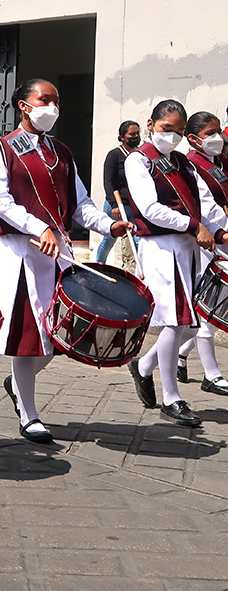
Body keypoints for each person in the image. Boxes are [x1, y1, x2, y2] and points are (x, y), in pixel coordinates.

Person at [0, 78, 132, 443]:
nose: (52, 107)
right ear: (24, 105)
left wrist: (108, 225)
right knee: (29, 331)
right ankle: (29, 413)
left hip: (59, 252)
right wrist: (40, 228)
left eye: (56, 100)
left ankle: (18, 384)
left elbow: (80, 203)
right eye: (44, 99)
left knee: (63, 331)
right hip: (24, 251)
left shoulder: (61, 152)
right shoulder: (1, 148)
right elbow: (1, 202)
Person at [126, 100, 228, 427]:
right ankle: (171, 397)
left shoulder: (182, 162)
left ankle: (144, 367)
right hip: (161, 246)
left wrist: (220, 232)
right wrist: (192, 226)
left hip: (187, 247)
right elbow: (149, 208)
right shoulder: (139, 160)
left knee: (190, 324)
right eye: (166, 128)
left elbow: (204, 204)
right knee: (174, 321)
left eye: (179, 131)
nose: (172, 136)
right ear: (151, 124)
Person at [173, 111, 228, 393]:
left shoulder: (218, 161)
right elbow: (207, 208)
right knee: (210, 309)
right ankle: (211, 374)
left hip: (223, 237)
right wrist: (223, 233)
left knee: (212, 311)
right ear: (194, 139)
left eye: (219, 131)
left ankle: (177, 355)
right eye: (211, 133)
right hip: (210, 241)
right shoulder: (192, 164)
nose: (218, 138)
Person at [95, 120, 141, 264]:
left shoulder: (140, 155)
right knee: (109, 239)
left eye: (137, 133)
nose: (135, 137)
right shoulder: (115, 155)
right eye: (132, 134)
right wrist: (114, 205)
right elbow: (108, 181)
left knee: (138, 240)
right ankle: (99, 265)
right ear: (122, 137)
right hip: (118, 206)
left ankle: (141, 271)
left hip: (135, 206)